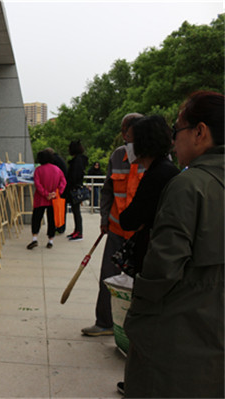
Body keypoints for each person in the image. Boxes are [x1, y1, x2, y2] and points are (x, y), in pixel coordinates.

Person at [123, 91, 224, 398]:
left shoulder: (189, 184)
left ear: (200, 132)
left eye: (177, 130)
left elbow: (163, 268)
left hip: (178, 335)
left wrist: (136, 313)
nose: (174, 141)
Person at [81, 113, 145, 337]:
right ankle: (105, 322)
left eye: (129, 131)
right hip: (117, 231)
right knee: (108, 277)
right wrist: (104, 219)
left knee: (141, 283)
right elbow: (107, 191)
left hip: (142, 235)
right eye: (125, 132)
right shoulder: (118, 156)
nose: (125, 136)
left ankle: (136, 330)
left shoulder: (155, 157)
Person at [118, 116, 180, 277]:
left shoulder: (156, 175)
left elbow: (129, 219)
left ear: (143, 142)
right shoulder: (166, 169)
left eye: (130, 141)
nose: (127, 146)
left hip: (152, 260)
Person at [27, 149, 67, 249]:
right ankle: (50, 240)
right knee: (51, 219)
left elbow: (37, 184)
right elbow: (63, 182)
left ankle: (34, 238)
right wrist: (56, 193)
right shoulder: (57, 169)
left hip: (41, 199)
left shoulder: (38, 170)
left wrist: (46, 194)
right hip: (53, 200)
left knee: (36, 218)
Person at [65, 140, 88, 241]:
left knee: (76, 211)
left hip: (74, 189)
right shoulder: (80, 160)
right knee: (75, 211)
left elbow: (75, 175)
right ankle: (77, 230)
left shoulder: (77, 161)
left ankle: (79, 232)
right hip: (75, 188)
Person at [47, 148, 68, 234]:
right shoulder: (58, 159)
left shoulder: (54, 161)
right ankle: (61, 226)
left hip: (58, 188)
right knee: (61, 208)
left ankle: (59, 226)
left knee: (58, 208)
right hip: (62, 187)